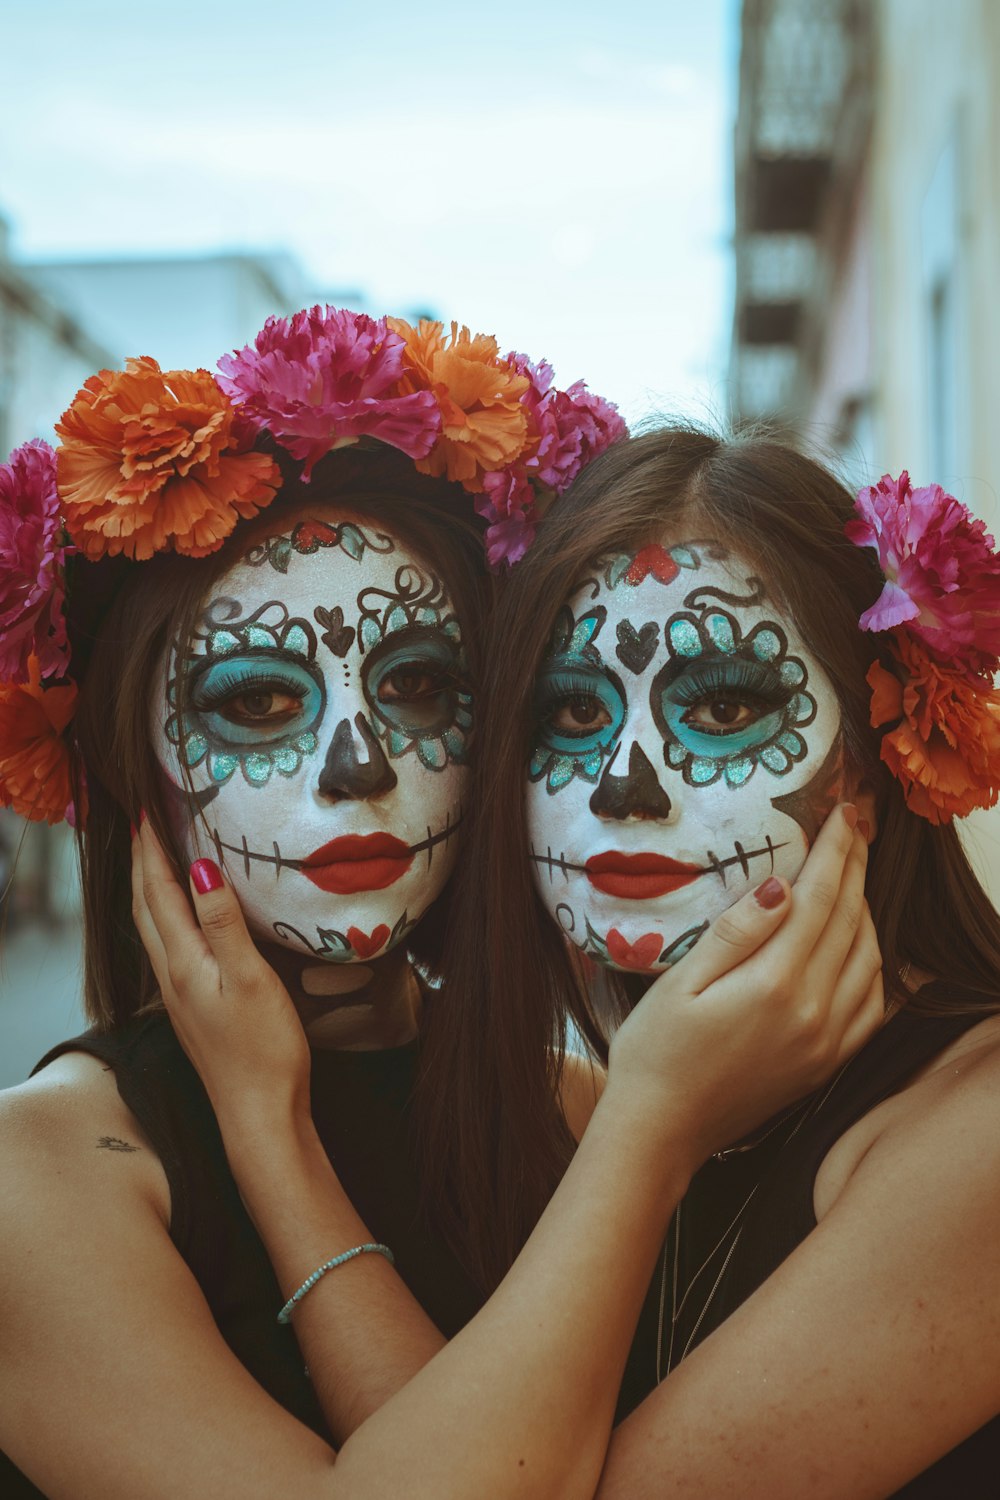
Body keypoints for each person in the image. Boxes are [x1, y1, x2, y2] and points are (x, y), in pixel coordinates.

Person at [0, 321, 879, 1499]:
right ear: (127, 762)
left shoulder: (586, 1108)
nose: (356, 766)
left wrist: (643, 1124)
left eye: (419, 683)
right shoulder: (40, 1174)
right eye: (258, 697)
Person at [131, 423, 1000, 1496]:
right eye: (574, 712)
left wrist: (647, 1124)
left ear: (887, 748)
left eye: (725, 706)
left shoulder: (977, 1131)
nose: (622, 790)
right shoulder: (617, 1100)